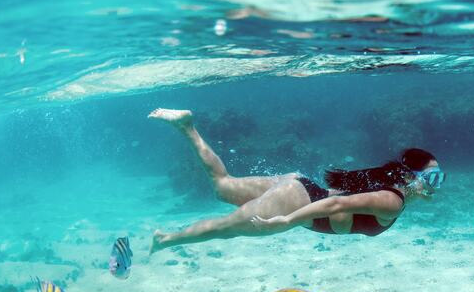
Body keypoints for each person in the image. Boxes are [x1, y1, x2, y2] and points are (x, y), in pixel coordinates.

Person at [147, 109, 444, 254]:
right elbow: (336, 202)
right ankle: (165, 240)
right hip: (297, 199)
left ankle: (187, 126)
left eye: (439, 178)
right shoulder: (392, 201)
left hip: (299, 185)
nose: (436, 186)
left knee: (223, 187)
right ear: (409, 176)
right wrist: (286, 221)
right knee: (227, 229)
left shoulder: (387, 187)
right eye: (432, 178)